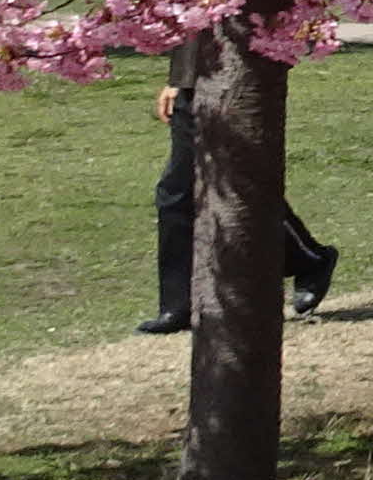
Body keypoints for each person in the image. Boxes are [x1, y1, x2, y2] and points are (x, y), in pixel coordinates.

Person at [139, 32, 338, 333]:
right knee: (178, 193)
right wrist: (178, 79)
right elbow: (194, 14)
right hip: (194, 81)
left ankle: (309, 259)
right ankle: (178, 305)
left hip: (236, 78)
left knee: (232, 184)